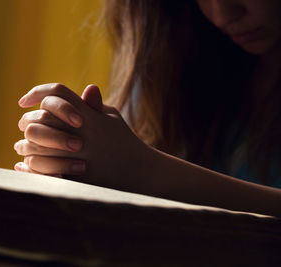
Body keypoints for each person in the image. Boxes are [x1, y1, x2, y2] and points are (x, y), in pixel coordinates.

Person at [14, 0, 281, 217]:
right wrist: (72, 159)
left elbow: (133, 167)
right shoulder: (175, 59)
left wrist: (146, 170)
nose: (222, 14)